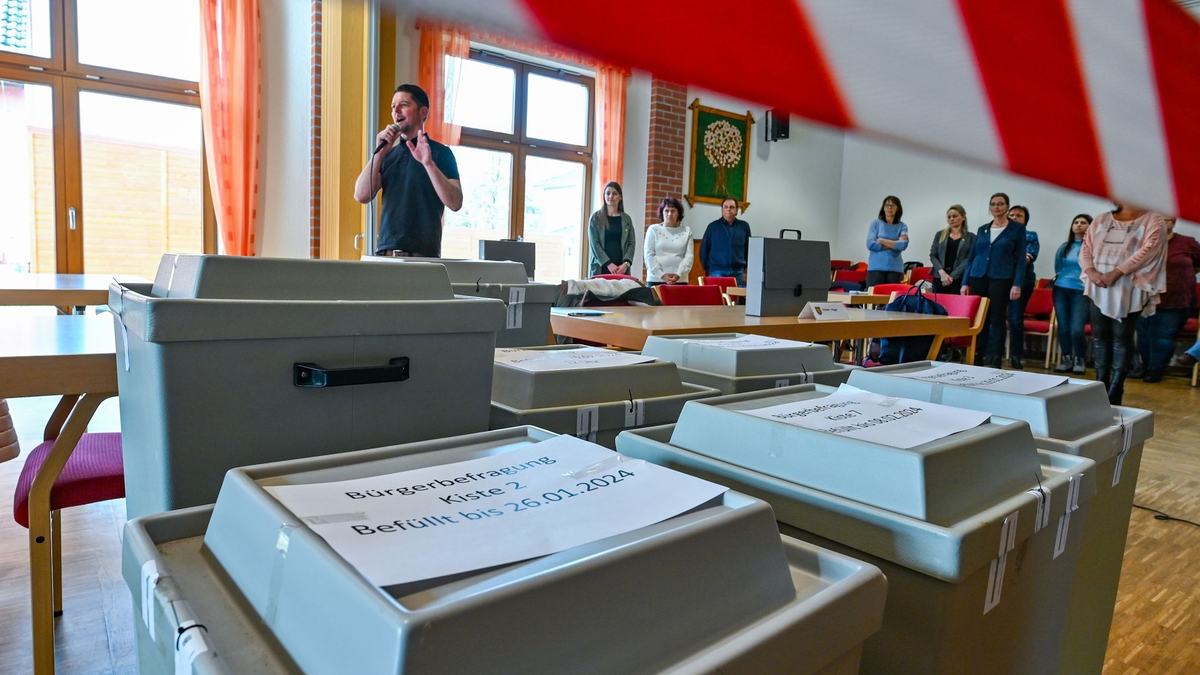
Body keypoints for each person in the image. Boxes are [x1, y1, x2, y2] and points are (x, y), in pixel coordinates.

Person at [354, 84, 462, 257]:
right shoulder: (388, 155)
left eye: (404, 105)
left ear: (423, 112)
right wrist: (379, 153)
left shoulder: (441, 153)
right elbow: (361, 195)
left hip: (423, 256)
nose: (396, 111)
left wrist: (428, 163)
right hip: (387, 253)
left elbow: (455, 203)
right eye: (393, 107)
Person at [1080, 204, 1167, 404]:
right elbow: (1086, 247)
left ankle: (1116, 388)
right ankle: (1100, 387)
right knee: (1100, 337)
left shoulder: (1153, 219)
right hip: (1098, 283)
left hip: (1129, 285)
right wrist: (1090, 270)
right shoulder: (1101, 219)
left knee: (1121, 338)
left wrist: (1118, 272)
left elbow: (1150, 249)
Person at [961, 192, 1027, 367]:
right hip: (978, 276)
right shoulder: (982, 229)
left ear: (1007, 207)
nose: (996, 207)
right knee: (979, 319)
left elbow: (1021, 259)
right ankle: (977, 357)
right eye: (993, 204)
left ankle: (995, 358)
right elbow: (972, 257)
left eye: (1000, 203)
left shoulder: (1017, 229)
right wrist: (965, 282)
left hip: (1002, 278)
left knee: (997, 319)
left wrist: (1017, 284)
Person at [1136, 216, 1200, 382]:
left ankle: (1156, 369)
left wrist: (1185, 274)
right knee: (1144, 336)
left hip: (1177, 298)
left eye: (1166, 220)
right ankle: (1147, 366)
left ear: (1173, 222)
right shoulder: (1144, 242)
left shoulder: (1187, 242)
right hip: (1145, 297)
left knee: (1163, 336)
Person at [1051, 214, 1093, 374]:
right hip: (1061, 289)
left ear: (1090, 227)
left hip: (1081, 290)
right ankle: (1066, 359)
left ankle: (1079, 359)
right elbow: (1058, 267)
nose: (1079, 225)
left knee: (1076, 328)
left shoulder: (1092, 248)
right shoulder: (1065, 247)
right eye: (1076, 222)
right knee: (1063, 327)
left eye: (1083, 222)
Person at [1005, 205, 1040, 369]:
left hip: (1022, 281)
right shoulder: (1002, 234)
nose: (1014, 217)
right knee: (996, 317)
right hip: (1002, 279)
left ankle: (1016, 356)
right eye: (1011, 215)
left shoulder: (1030, 235)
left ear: (1025, 220)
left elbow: (1026, 258)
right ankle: (993, 353)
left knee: (1015, 318)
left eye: (1019, 215)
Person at [587, 182, 636, 277]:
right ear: (604, 196)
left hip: (621, 269)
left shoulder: (627, 219)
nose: (611, 196)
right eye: (608, 193)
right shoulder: (595, 218)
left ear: (620, 197)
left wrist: (626, 264)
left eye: (615, 193)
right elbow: (595, 244)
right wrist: (608, 263)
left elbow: (631, 244)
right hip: (601, 268)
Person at [699, 197, 751, 286]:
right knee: (718, 294)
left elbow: (748, 248)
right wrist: (708, 269)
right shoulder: (712, 227)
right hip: (717, 271)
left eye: (732, 207)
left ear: (736, 211)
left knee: (735, 295)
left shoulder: (744, 226)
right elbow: (704, 250)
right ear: (722, 210)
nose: (728, 209)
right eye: (725, 207)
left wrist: (746, 268)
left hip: (738, 272)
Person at [644, 196, 694, 286]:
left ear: (678, 213)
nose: (670, 214)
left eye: (673, 211)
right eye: (667, 211)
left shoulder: (687, 231)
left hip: (680, 279)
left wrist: (678, 274)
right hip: (656, 279)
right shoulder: (653, 229)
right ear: (662, 213)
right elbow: (649, 255)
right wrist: (662, 275)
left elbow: (689, 256)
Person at [928, 205, 975, 295]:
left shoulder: (971, 237)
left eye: (954, 216)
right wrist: (942, 273)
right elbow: (933, 255)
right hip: (940, 277)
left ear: (963, 217)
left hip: (958, 278)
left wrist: (952, 276)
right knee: (938, 302)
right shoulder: (940, 234)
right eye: (949, 217)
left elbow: (969, 259)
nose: (951, 219)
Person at [865, 196, 909, 288]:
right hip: (876, 267)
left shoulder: (902, 226)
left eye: (893, 205)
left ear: (898, 208)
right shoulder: (876, 223)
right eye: (887, 205)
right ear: (883, 208)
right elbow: (870, 244)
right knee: (873, 295)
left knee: (891, 296)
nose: (889, 208)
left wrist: (882, 240)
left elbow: (903, 245)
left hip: (895, 268)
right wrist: (895, 243)